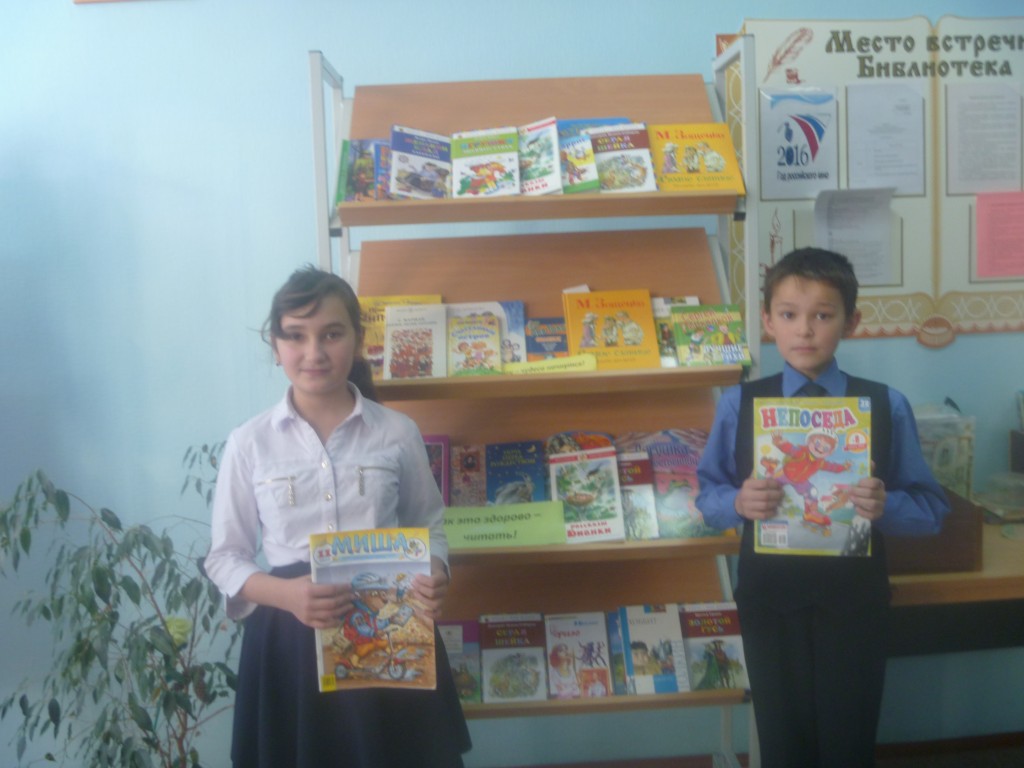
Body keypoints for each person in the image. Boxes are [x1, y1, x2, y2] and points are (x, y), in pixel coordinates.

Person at [204, 266, 471, 768]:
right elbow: (225, 558)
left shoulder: (397, 432)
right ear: (275, 345)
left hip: (390, 628)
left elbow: (429, 525)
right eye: (295, 336)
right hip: (290, 639)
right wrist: (287, 595)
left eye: (331, 333)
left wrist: (435, 571)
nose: (314, 352)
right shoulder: (250, 442)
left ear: (357, 339)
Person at [696, 247, 949, 768]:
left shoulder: (885, 404)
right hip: (770, 600)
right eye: (789, 314)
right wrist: (738, 502)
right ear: (768, 321)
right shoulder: (740, 403)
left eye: (823, 315)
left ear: (851, 322)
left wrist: (885, 506)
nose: (805, 330)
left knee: (847, 738)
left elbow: (930, 510)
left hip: (854, 602)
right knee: (781, 738)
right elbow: (707, 496)